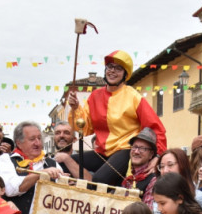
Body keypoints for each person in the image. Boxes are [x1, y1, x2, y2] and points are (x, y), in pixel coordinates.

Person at [67, 50, 166, 186]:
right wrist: (75, 108)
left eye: (118, 68)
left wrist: (158, 156)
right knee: (64, 162)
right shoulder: (95, 96)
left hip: (124, 150)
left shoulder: (134, 97)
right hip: (102, 152)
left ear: (125, 74)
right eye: (110, 67)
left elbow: (156, 128)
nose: (112, 71)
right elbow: (84, 128)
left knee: (99, 180)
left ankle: (89, 190)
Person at [0, 121, 65, 214]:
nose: (37, 143)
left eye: (39, 138)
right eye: (32, 139)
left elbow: (63, 197)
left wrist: (66, 184)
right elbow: (10, 190)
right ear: (19, 143)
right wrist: (40, 174)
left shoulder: (53, 164)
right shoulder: (6, 160)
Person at [121, 128, 159, 206]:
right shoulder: (124, 173)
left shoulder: (153, 180)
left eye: (142, 149)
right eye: (134, 147)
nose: (136, 151)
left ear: (151, 154)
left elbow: (147, 211)